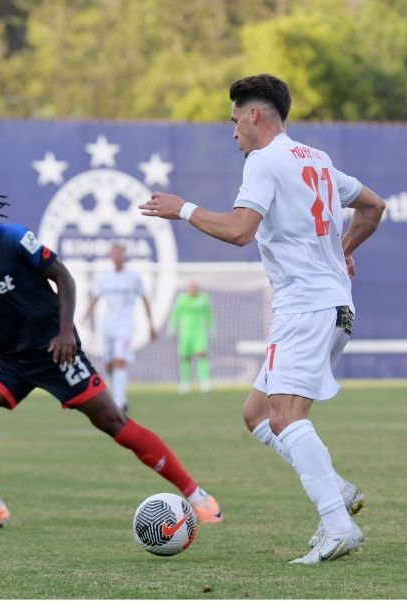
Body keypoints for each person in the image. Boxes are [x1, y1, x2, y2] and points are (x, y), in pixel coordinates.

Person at [0, 179, 221, 531]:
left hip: (56, 352)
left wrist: (66, 330)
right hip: (11, 360)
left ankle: (199, 498)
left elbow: (63, 276)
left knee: (114, 422)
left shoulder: (12, 239)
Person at [140, 74, 385, 564]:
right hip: (333, 305)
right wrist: (342, 251)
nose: (233, 132)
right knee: (257, 415)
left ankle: (338, 524)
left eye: (235, 121)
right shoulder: (316, 158)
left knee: (285, 417)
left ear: (254, 114)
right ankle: (336, 487)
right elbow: (374, 206)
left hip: (306, 307)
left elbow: (240, 231)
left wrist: (182, 209)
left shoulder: (263, 160)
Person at [81, 244, 156, 413]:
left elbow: (144, 299)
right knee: (109, 365)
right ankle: (114, 396)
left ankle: (120, 402)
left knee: (120, 361)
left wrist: (151, 324)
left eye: (119, 253)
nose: (116, 257)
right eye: (113, 254)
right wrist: (86, 315)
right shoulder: (105, 277)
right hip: (108, 325)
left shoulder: (134, 277)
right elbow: (95, 298)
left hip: (125, 325)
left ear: (124, 255)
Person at [167, 281, 214, 394]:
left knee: (201, 355)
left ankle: (205, 382)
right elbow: (175, 314)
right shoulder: (182, 299)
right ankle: (185, 383)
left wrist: (211, 328)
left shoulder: (204, 299)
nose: (193, 290)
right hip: (185, 333)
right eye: (191, 287)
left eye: (195, 287)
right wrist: (171, 328)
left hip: (199, 332)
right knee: (185, 357)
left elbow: (209, 314)